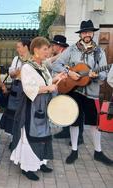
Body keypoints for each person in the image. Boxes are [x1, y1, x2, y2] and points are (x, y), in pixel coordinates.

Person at [52, 19, 113, 165]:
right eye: (84, 32)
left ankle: (98, 152)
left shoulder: (99, 52)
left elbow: (104, 75)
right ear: (81, 34)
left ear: (92, 33)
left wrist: (96, 75)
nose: (87, 34)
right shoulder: (72, 49)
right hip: (73, 91)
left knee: (94, 123)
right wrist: (70, 72)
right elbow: (56, 64)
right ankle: (74, 150)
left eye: (89, 32)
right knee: (74, 121)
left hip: (91, 93)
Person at [10, 37, 67, 181]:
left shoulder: (41, 66)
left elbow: (46, 82)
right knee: (31, 136)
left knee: (43, 135)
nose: (48, 52)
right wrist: (49, 87)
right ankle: (27, 167)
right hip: (31, 107)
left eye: (48, 49)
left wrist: (55, 79)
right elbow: (29, 89)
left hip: (43, 105)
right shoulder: (27, 67)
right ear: (35, 50)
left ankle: (41, 161)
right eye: (45, 49)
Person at [0, 38, 31, 137]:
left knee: (25, 113)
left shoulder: (33, 59)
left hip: (28, 88)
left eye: (19, 47)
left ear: (26, 47)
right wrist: (16, 72)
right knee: (14, 113)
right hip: (16, 88)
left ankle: (23, 137)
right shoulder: (16, 59)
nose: (17, 49)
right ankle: (14, 138)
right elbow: (11, 74)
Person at [45, 35, 71, 139]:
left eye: (54, 45)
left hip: (66, 85)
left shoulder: (66, 55)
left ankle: (74, 135)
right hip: (59, 86)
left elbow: (50, 65)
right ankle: (65, 130)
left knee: (66, 108)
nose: (52, 47)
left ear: (59, 46)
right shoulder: (61, 54)